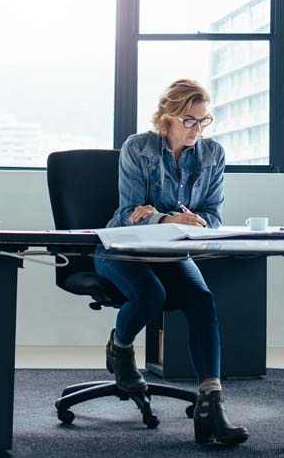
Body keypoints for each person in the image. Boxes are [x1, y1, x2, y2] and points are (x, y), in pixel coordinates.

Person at [94, 79, 249, 445]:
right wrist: (166, 219)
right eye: (189, 121)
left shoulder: (213, 155)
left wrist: (192, 221)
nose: (196, 129)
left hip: (171, 253)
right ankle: (120, 348)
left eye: (203, 120)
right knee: (151, 295)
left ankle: (211, 405)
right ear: (168, 117)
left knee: (201, 300)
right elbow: (127, 214)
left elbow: (212, 214)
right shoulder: (139, 148)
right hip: (120, 250)